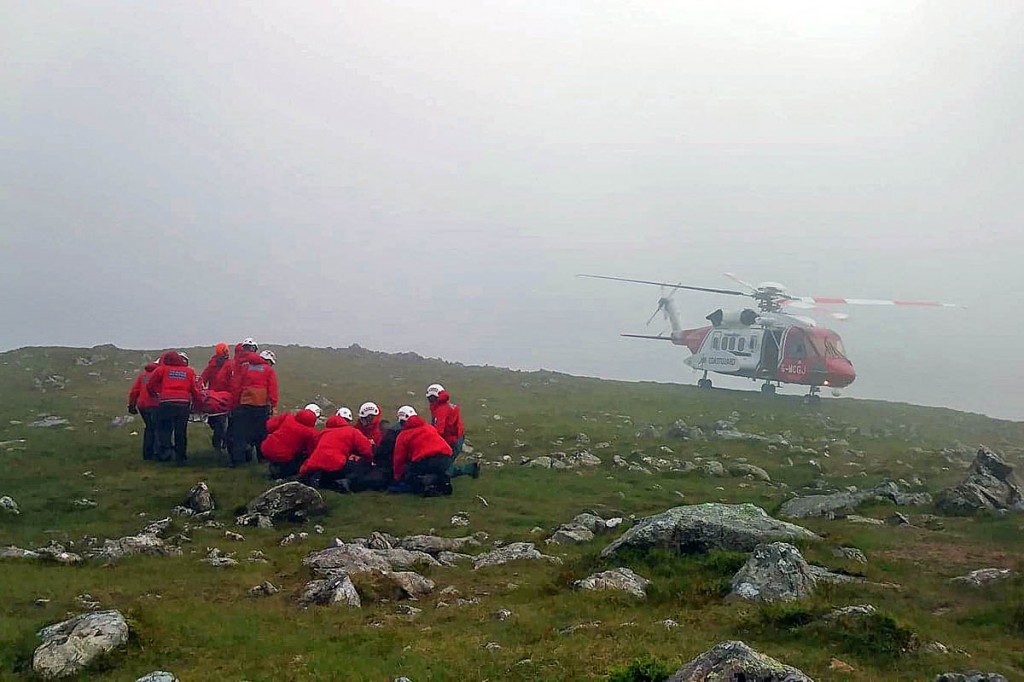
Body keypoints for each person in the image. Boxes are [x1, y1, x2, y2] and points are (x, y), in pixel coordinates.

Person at [146, 350, 203, 466]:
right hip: (183, 404)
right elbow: (194, 389)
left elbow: (150, 385)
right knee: (180, 432)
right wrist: (199, 403)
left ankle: (166, 452)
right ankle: (181, 457)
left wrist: (156, 394)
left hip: (166, 403)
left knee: (165, 430)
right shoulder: (189, 371)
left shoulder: (162, 369)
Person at [299, 406, 373, 492]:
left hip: (313, 467)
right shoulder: (352, 431)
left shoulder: (324, 432)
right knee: (361, 467)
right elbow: (367, 449)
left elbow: (313, 449)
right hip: (335, 465)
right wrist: (371, 461)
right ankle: (343, 484)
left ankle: (321, 483)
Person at [228, 344, 278, 467]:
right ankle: (262, 458)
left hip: (245, 403)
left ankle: (239, 460)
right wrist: (274, 404)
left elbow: (237, 386)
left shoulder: (246, 367)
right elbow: (272, 388)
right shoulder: (268, 370)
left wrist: (236, 402)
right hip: (261, 405)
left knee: (241, 433)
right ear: (269, 361)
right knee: (262, 433)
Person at [391, 405, 453, 496]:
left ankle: (428, 485)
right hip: (446, 458)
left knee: (411, 477)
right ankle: (441, 481)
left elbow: (398, 458)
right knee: (435, 470)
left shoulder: (403, 435)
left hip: (426, 461)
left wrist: (397, 477)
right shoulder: (429, 427)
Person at [426, 383, 478, 479]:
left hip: (450, 441)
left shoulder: (441, 410)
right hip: (456, 438)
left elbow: (439, 430)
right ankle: (470, 469)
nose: (431, 401)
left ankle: (470, 469)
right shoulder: (447, 406)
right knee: (445, 466)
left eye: (431, 398)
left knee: (444, 468)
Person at [262, 404, 320, 478]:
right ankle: (280, 473)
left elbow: (269, 425)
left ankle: (273, 465)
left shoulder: (287, 417)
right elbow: (310, 451)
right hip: (283, 455)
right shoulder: (311, 433)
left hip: (266, 446)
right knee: (300, 459)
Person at [200, 343, 233, 452]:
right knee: (214, 421)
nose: (224, 358)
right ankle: (220, 439)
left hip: (226, 398)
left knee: (224, 422)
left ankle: (221, 442)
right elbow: (202, 380)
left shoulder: (230, 365)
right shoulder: (211, 367)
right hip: (213, 399)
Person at [127, 361, 160, 460]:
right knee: (158, 428)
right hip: (155, 404)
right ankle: (158, 453)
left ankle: (147, 453)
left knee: (149, 428)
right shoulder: (158, 375)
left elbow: (134, 391)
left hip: (142, 406)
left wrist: (131, 405)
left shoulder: (143, 376)